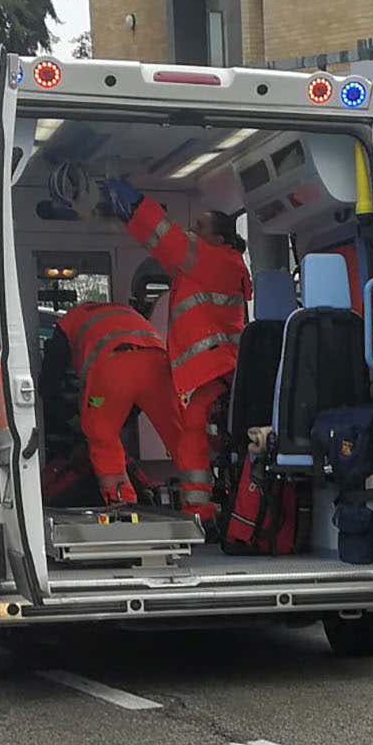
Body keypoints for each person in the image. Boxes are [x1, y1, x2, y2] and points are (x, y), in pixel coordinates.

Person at [103, 180, 252, 523]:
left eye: (199, 227)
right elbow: (161, 245)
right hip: (212, 369)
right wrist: (130, 219)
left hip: (211, 369)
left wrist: (136, 203)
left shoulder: (213, 260)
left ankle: (200, 509)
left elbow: (167, 237)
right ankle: (204, 505)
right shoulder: (208, 264)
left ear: (219, 238)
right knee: (196, 439)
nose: (191, 231)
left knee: (192, 440)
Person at [37, 302, 186, 506]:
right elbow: (132, 402)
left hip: (113, 367)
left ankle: (121, 503)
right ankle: (203, 501)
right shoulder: (123, 312)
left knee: (101, 436)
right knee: (182, 437)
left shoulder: (68, 322)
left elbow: (48, 383)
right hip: (159, 364)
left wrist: (72, 421)